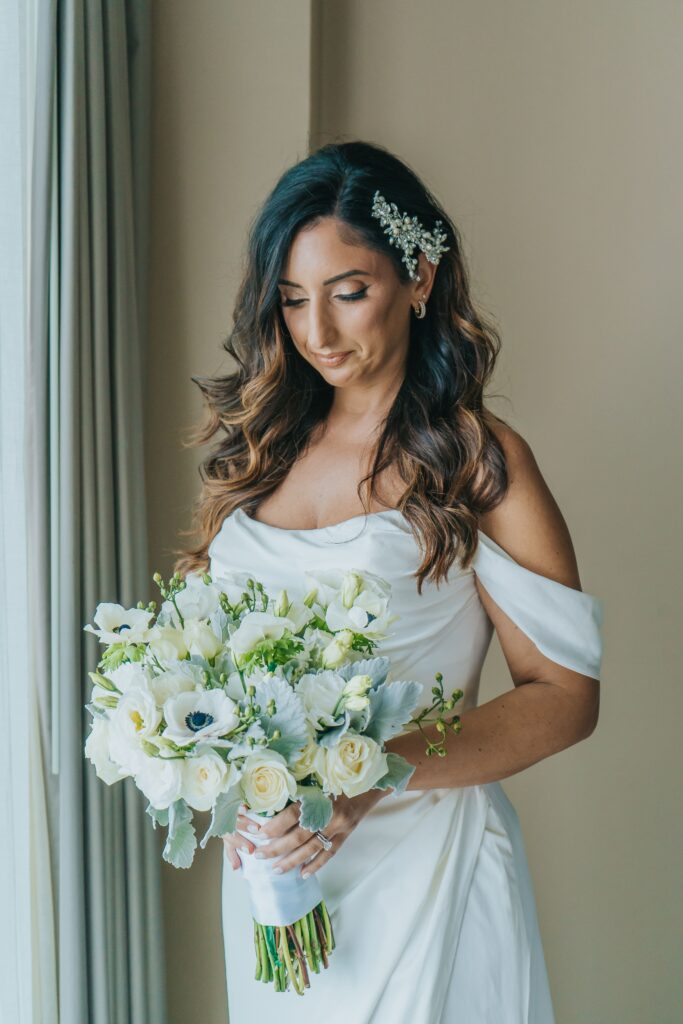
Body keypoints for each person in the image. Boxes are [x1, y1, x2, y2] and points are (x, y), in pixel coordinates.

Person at [174, 140, 603, 1023]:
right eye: (293, 300)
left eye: (348, 292)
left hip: (422, 868)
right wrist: (225, 780)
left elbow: (564, 694)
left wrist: (372, 776)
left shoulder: (474, 460)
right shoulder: (258, 454)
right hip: (278, 871)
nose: (317, 334)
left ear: (420, 278)